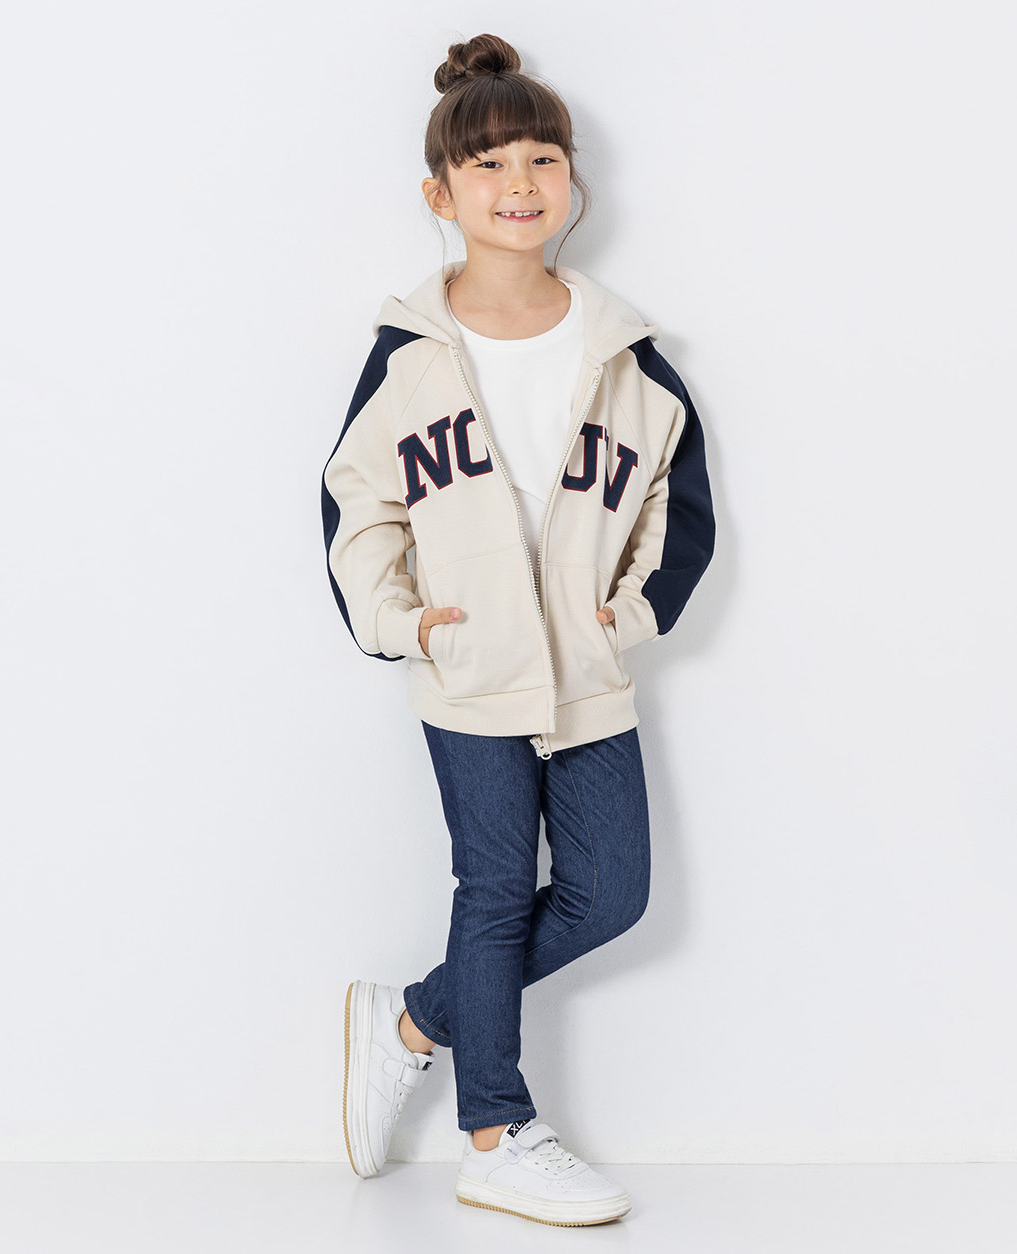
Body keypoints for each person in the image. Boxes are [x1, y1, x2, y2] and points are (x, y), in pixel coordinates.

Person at [321, 33, 716, 1227]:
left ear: (571, 178)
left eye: (542, 156)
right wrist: (405, 624)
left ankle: (412, 1020)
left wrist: (629, 612)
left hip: (585, 667)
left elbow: (681, 507)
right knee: (494, 887)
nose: (519, 182)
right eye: (487, 163)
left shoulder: (625, 352)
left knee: (609, 894)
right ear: (440, 195)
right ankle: (494, 1132)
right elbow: (355, 503)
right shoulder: (409, 356)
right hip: (470, 663)